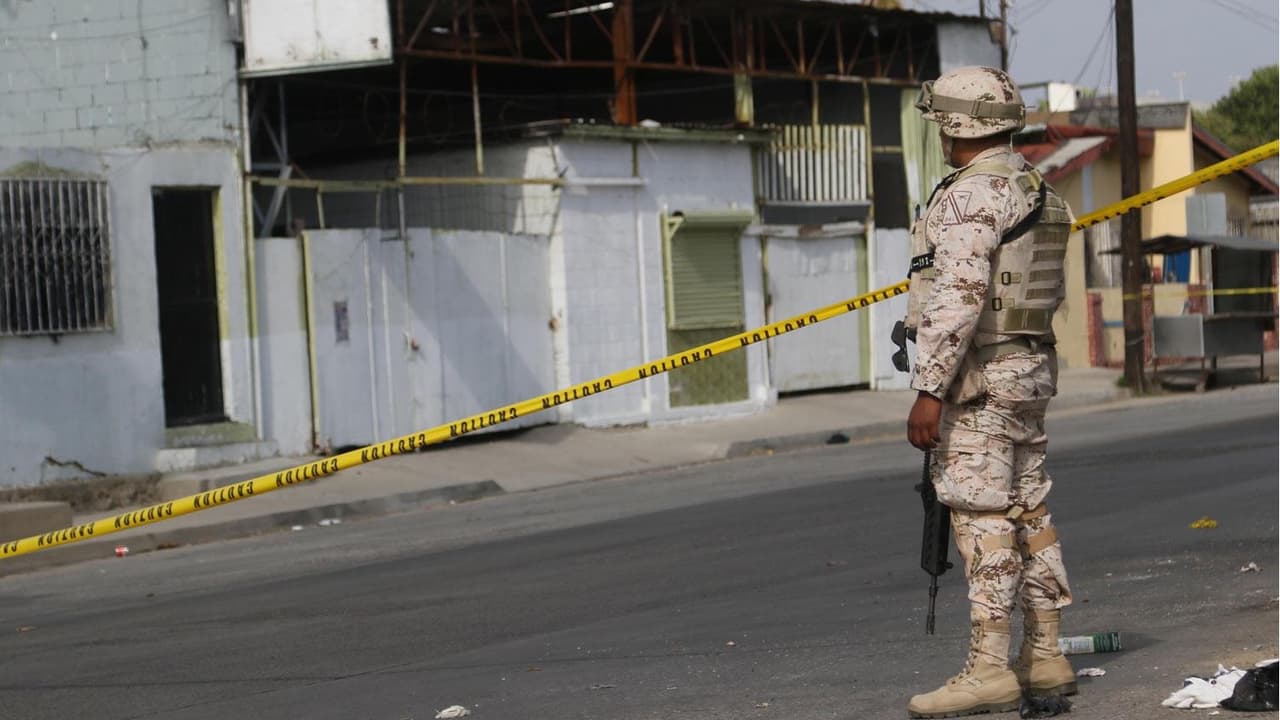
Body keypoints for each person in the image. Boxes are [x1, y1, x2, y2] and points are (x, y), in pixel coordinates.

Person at [901, 66, 1076, 719]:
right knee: (1030, 510)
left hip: (980, 379)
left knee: (980, 516)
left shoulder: (970, 196)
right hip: (1030, 369)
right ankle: (1047, 656)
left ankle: (989, 668)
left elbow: (960, 296)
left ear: (954, 125)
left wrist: (929, 388)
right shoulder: (1040, 190)